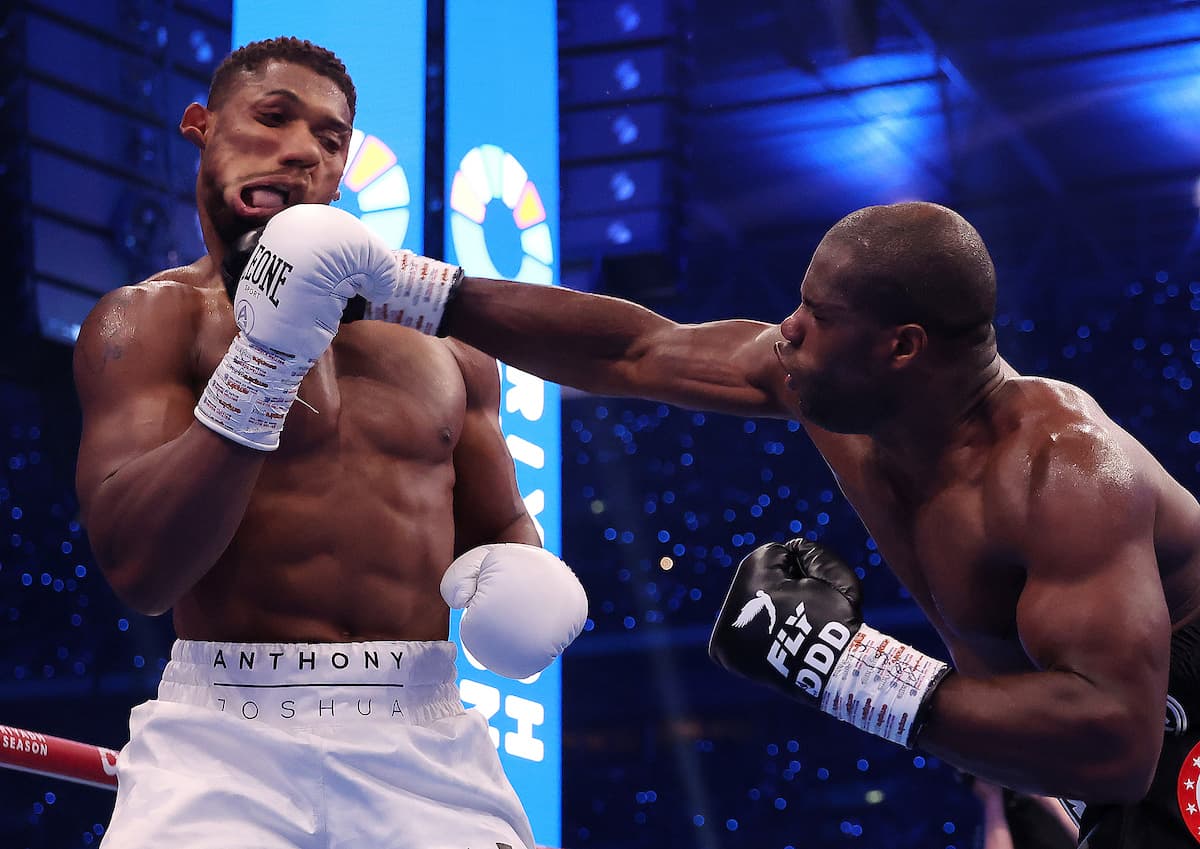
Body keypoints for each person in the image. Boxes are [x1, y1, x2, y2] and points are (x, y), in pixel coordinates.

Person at [383, 201, 1200, 847]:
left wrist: (848, 670)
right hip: (1101, 763)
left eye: (818, 313)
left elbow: (1119, 744)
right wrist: (415, 291)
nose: (790, 329)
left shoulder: (1062, 472)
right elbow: (634, 351)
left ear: (902, 347)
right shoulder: (834, 394)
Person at [72, 37, 587, 849]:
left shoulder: (446, 343)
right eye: (272, 117)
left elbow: (501, 530)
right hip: (220, 741)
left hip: (426, 740)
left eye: (331, 138)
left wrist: (531, 577)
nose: (302, 149)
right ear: (202, 126)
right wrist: (263, 364)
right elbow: (140, 569)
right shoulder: (148, 320)